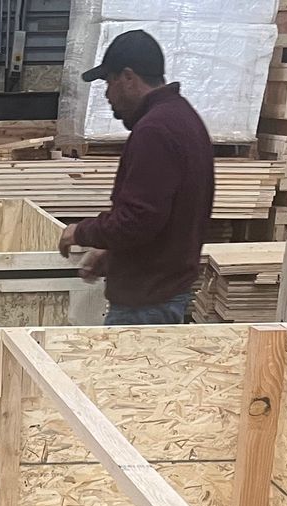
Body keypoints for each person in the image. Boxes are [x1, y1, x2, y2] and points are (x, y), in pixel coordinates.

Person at [58, 30, 214, 325]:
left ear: (128, 78)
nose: (106, 94)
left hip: (146, 305)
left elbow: (137, 219)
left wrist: (80, 232)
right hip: (160, 294)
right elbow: (158, 218)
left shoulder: (155, 131)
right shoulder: (181, 118)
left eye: (109, 81)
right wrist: (114, 253)